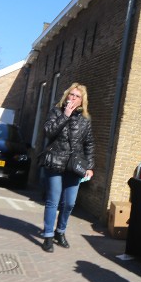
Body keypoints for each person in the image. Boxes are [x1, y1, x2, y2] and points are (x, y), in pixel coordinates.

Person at [38, 83, 94, 252]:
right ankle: (48, 235)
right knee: (53, 200)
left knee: (69, 203)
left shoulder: (85, 120)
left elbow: (89, 144)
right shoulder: (56, 112)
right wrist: (65, 116)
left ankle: (60, 232)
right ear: (66, 96)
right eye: (71, 94)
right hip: (55, 161)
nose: (73, 98)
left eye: (77, 96)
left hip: (74, 166)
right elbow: (48, 132)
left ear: (82, 100)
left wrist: (89, 166)